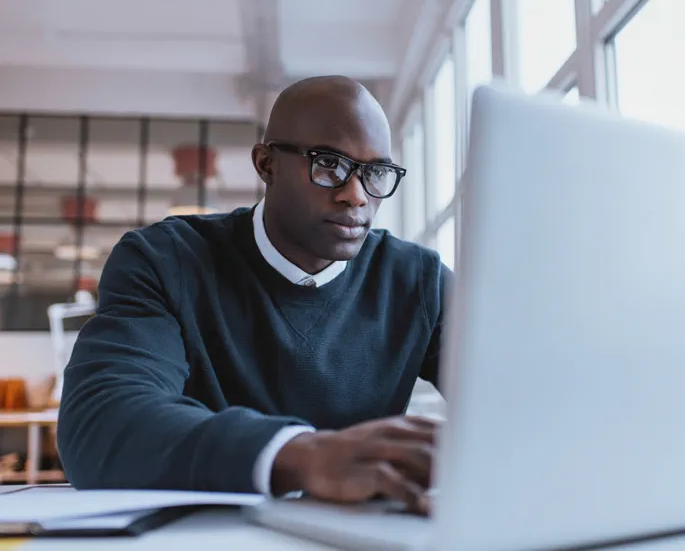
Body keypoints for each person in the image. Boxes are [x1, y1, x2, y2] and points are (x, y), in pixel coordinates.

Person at [57, 75, 451, 516]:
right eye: (329, 165)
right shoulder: (166, 261)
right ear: (266, 165)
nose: (356, 196)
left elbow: (522, 403)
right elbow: (99, 425)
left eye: (375, 172)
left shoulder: (419, 281)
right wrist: (302, 456)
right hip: (206, 538)